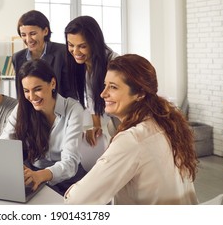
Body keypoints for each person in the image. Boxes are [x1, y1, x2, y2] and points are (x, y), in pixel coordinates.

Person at [64, 54, 199, 205]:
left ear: (140, 94)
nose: (103, 94)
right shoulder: (167, 125)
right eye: (105, 85)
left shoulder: (132, 140)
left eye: (113, 87)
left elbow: (77, 200)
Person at [0, 59, 86, 196]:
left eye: (37, 89)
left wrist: (41, 175)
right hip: (33, 173)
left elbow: (70, 163)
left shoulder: (73, 109)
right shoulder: (22, 108)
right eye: (26, 91)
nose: (32, 97)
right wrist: (16, 168)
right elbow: (4, 143)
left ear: (52, 83)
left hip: (68, 179)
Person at [64, 15, 119, 146]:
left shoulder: (114, 63)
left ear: (94, 43)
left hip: (128, 118)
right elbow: (91, 97)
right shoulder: (87, 64)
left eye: (82, 46)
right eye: (71, 45)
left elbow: (126, 102)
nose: (75, 51)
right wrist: (96, 126)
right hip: (116, 119)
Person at [12, 10, 74, 98]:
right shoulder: (17, 58)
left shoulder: (63, 52)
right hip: (31, 108)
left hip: (58, 108)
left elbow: (70, 92)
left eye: (33, 33)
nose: (28, 39)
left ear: (45, 31)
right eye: (23, 35)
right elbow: (20, 94)